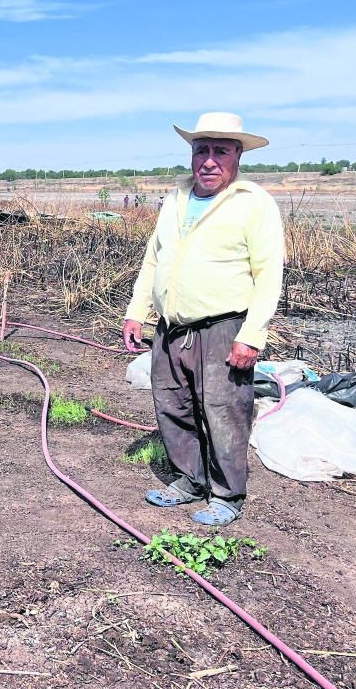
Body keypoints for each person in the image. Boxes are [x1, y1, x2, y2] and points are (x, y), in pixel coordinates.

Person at [121, 113, 284, 526]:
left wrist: (252, 336)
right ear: (192, 154)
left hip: (223, 327)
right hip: (171, 327)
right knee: (173, 405)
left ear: (238, 155)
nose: (209, 161)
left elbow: (269, 275)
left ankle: (228, 495)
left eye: (220, 151)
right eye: (201, 150)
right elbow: (153, 259)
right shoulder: (176, 198)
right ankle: (189, 479)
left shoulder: (253, 202)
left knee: (224, 410)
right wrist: (137, 311)